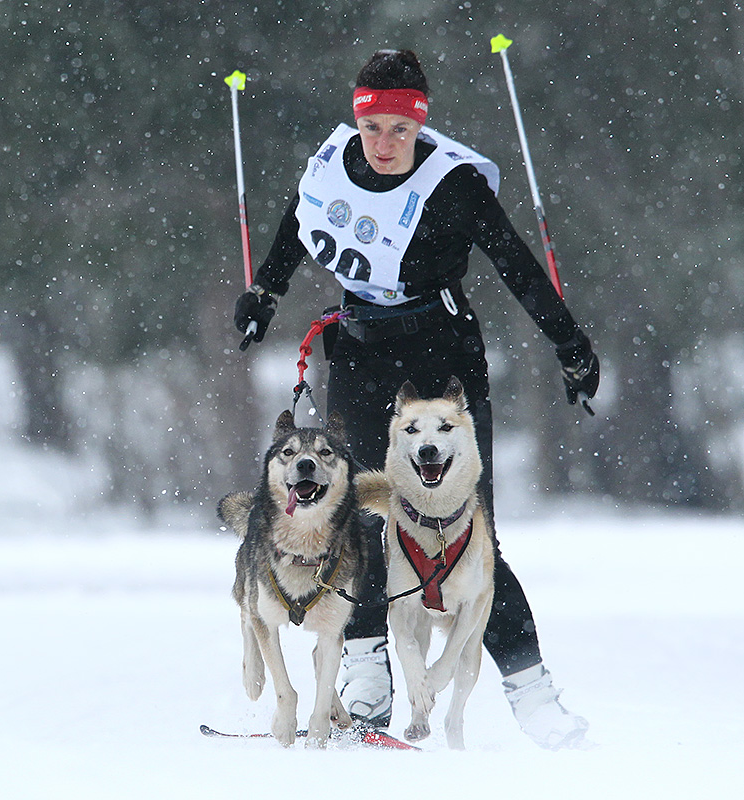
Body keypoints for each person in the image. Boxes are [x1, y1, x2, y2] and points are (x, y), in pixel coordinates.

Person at [232, 49, 599, 750]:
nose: (386, 143)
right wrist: (266, 292)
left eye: (403, 129)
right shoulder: (333, 163)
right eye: (375, 128)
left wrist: (570, 345)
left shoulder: (452, 185)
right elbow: (296, 229)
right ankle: (367, 675)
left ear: (421, 124)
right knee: (361, 520)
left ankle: (534, 694)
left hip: (441, 355)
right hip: (363, 356)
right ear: (358, 120)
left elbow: (517, 265)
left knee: (466, 533)